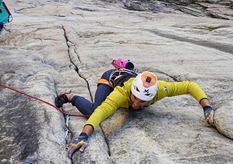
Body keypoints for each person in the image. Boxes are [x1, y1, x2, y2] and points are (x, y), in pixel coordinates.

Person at [63, 61, 215, 158]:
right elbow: (100, 113)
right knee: (92, 109)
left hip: (131, 76)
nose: (135, 104)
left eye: (142, 101)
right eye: (134, 97)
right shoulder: (121, 94)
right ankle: (70, 97)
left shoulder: (160, 89)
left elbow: (190, 86)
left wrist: (207, 108)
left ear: (152, 96)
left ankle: (125, 65)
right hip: (110, 79)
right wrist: (83, 135)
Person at [55, 58, 137, 115]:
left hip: (121, 78)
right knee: (94, 111)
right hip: (108, 79)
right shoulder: (123, 88)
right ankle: (68, 97)